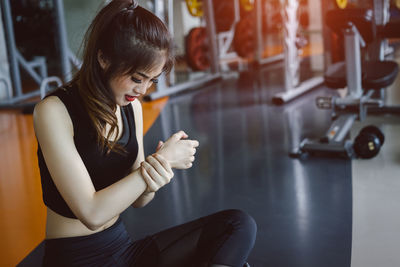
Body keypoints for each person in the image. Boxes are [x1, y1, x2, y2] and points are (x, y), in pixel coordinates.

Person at [33, 0, 257, 266]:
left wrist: (156, 169)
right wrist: (160, 163)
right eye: (138, 79)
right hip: (77, 257)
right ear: (103, 58)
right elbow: (91, 213)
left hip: (122, 248)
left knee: (236, 225)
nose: (143, 90)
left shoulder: (132, 108)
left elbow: (140, 199)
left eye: (152, 81)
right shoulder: (54, 111)